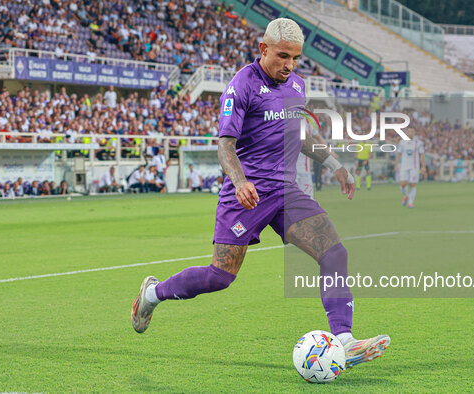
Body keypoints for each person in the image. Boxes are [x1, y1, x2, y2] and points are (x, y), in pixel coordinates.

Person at [131, 18, 389, 370]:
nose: (289, 65)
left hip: (284, 191)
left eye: (295, 58)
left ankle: (344, 341)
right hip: (246, 195)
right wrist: (239, 182)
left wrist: (335, 164)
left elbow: (299, 137)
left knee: (334, 253)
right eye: (283, 56)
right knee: (220, 277)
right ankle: (152, 294)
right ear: (263, 49)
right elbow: (225, 144)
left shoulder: (296, 85)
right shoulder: (242, 85)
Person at [395, 128, 426, 208]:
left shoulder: (419, 143)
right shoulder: (402, 142)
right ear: (406, 133)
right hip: (404, 166)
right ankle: (406, 195)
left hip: (414, 166)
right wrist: (396, 165)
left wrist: (423, 166)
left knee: (412, 184)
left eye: (412, 131)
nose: (410, 133)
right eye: (409, 131)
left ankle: (411, 202)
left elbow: (421, 155)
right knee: (403, 184)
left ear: (414, 133)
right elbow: (398, 154)